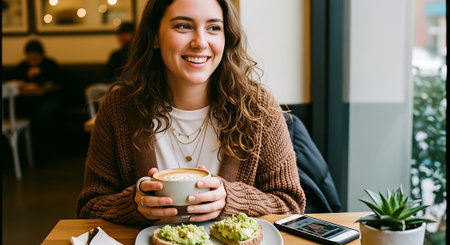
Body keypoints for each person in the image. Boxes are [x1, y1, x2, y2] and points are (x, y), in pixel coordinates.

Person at [76, 0, 305, 226]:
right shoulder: (119, 107)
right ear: (155, 36)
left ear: (227, 38)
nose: (200, 42)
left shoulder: (258, 107)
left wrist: (231, 199)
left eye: (214, 28)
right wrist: (134, 205)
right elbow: (90, 206)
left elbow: (291, 202)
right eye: (183, 26)